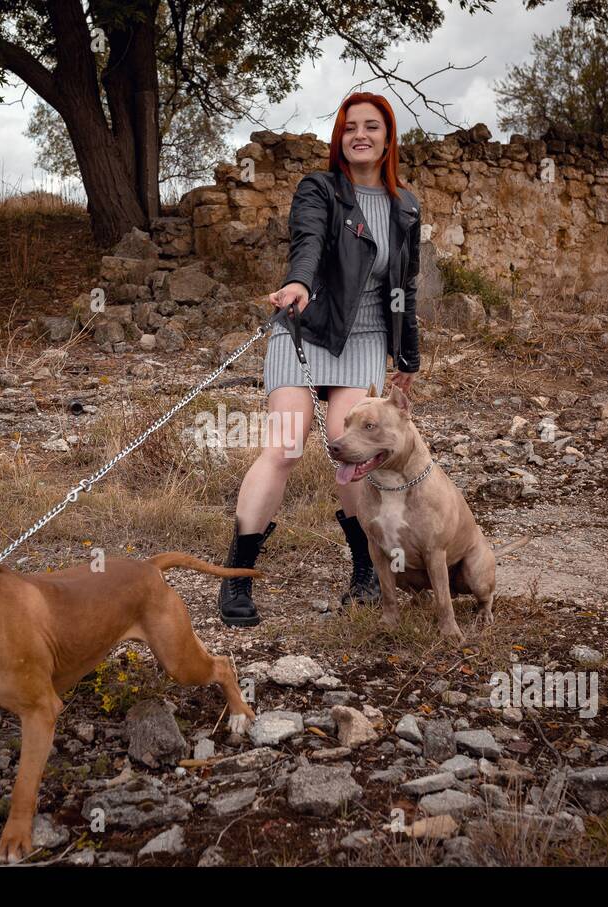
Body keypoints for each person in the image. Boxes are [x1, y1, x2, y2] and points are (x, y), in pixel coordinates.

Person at [218, 91, 423, 627]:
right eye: (350, 126)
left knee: (351, 455)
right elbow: (306, 243)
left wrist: (408, 353)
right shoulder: (321, 188)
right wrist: (296, 282)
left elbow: (406, 284)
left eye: (372, 126)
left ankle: (365, 573)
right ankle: (237, 580)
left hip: (364, 341)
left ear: (387, 136)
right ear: (340, 137)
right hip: (304, 328)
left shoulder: (406, 206)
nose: (360, 134)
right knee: (284, 449)